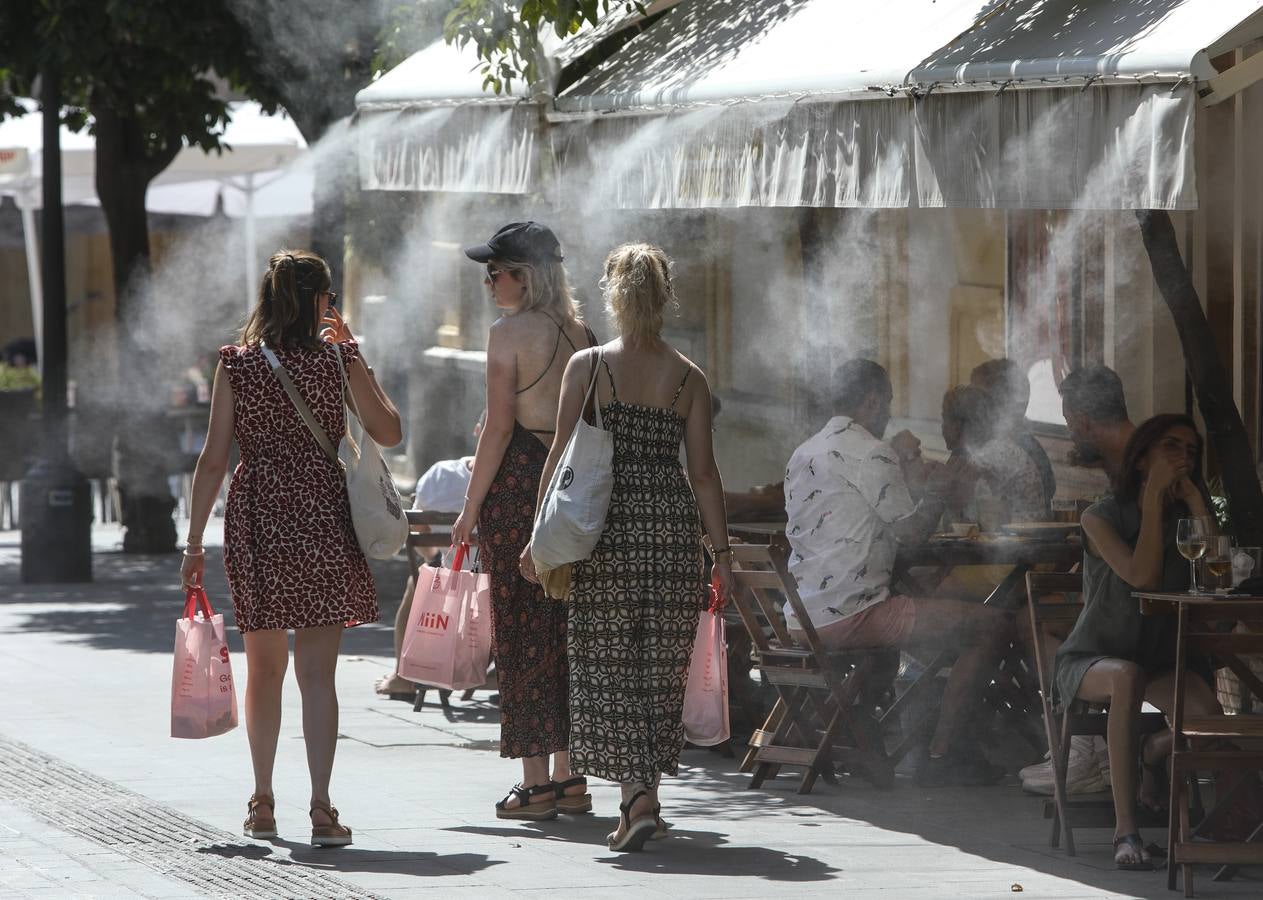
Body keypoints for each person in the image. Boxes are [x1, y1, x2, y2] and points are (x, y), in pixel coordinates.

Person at [180, 249, 402, 847]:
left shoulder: (237, 365)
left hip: (259, 522)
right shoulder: (337, 360)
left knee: (266, 669)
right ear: (320, 300)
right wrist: (356, 354)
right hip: (324, 517)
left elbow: (212, 460)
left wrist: (194, 543)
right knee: (318, 675)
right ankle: (323, 808)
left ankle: (262, 800)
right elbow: (390, 431)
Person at [524, 242, 733, 852]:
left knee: (607, 662)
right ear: (665, 297)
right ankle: (643, 798)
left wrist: (539, 539)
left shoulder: (588, 367)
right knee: (657, 666)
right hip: (669, 533)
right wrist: (721, 556)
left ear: (614, 296)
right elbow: (704, 474)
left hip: (604, 532)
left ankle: (635, 798)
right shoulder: (688, 377)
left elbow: (562, 457)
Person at [784, 359, 1014, 786]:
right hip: (852, 617)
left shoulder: (804, 452)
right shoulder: (872, 453)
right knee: (993, 625)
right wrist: (939, 493)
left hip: (801, 618)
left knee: (894, 647)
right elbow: (910, 535)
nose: (889, 412)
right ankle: (944, 755)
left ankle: (859, 736)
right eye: (887, 402)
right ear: (871, 402)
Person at [450, 222, 596, 820]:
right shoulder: (585, 335)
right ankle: (571, 776)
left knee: (520, 630)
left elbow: (500, 428)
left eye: (497, 272)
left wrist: (468, 508)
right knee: (566, 631)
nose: (489, 283)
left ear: (525, 275)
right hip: (571, 485)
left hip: (516, 485)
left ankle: (535, 781)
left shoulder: (506, 334)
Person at [1052, 414, 1220, 870]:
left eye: (1190, 450)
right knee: (1126, 676)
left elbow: (1213, 575)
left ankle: (1153, 753)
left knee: (1208, 716)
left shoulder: (1184, 516)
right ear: (1143, 456)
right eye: (1170, 447)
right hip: (1095, 657)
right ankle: (1126, 832)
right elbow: (1141, 577)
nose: (1182, 458)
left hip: (1159, 657)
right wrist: (1151, 500)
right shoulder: (1099, 516)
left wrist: (1198, 505)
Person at [374, 412, 484, 702]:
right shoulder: (513, 480)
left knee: (420, 578)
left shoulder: (441, 474)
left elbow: (418, 526)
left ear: (476, 430)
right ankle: (491, 672)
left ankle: (403, 676)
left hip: (446, 576)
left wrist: (434, 560)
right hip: (493, 579)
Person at [971, 358, 1055, 517]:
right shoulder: (1025, 446)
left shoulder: (1021, 450)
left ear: (1000, 403)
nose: (971, 405)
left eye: (977, 398)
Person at [1058, 365, 1136, 482]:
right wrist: (1104, 464)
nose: (1070, 433)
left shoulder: (1148, 469)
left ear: (1083, 422)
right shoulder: (1135, 456)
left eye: (1069, 421)